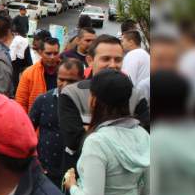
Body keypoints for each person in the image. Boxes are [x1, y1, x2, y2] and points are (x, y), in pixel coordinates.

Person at [59, 35, 150, 170]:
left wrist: (90, 130)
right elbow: (74, 141)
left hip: (124, 181)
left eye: (118, 60)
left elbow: (145, 140)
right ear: (90, 60)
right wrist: (127, 134)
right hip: (80, 177)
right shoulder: (72, 94)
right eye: (106, 59)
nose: (113, 65)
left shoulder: (136, 95)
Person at [28, 58, 84, 187]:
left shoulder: (88, 104)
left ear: (81, 79)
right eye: (61, 79)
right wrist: (34, 162)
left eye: (71, 81)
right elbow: (27, 132)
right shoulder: (43, 101)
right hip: (46, 172)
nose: (64, 84)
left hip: (77, 175)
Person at [15, 37, 62, 112]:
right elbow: (21, 102)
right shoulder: (29, 73)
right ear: (41, 53)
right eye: (48, 53)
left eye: (55, 53)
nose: (52, 57)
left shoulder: (67, 71)